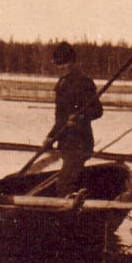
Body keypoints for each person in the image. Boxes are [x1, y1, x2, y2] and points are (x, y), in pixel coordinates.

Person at [44, 42, 103, 195]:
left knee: (64, 183)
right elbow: (60, 118)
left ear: (73, 62)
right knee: (69, 180)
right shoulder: (61, 83)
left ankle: (67, 213)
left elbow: (97, 111)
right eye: (59, 64)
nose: (62, 67)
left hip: (79, 143)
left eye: (66, 63)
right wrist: (51, 136)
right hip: (65, 142)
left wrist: (80, 118)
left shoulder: (84, 83)